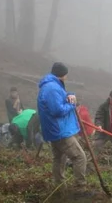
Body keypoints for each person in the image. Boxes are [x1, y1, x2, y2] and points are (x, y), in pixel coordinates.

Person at [37, 62, 89, 193]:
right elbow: (57, 110)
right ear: (62, 74)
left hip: (55, 130)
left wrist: (69, 94)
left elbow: (60, 98)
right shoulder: (52, 88)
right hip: (59, 131)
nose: (67, 77)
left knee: (59, 158)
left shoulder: (52, 86)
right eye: (66, 74)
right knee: (80, 157)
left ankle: (60, 189)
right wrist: (72, 104)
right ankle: (80, 189)